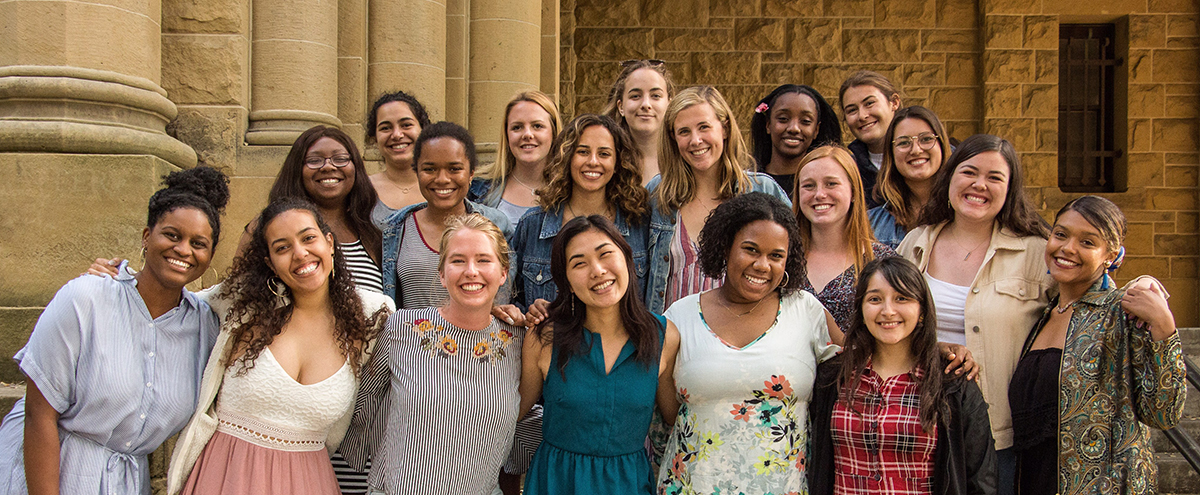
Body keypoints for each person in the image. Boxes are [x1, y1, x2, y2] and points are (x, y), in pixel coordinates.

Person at [0, 167, 228, 495]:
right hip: (51, 471)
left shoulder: (205, 326)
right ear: (146, 237)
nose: (183, 250)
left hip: (126, 482)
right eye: (172, 235)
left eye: (198, 243)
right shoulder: (86, 298)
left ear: (210, 255)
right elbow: (39, 414)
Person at [167, 198, 393, 495]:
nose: (300, 253)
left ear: (329, 243)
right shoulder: (241, 304)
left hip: (310, 482)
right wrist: (118, 279)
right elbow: (168, 302)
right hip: (226, 476)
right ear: (270, 263)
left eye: (308, 238)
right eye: (282, 247)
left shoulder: (371, 316)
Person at [896, 134, 1052, 495]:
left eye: (994, 177)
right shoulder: (915, 243)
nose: (979, 185)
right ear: (950, 177)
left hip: (999, 432)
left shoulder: (1036, 252)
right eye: (969, 172)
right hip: (919, 421)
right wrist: (933, 348)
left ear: (1010, 189)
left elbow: (1088, 301)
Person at [657, 192, 841, 495]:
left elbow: (863, 363)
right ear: (726, 247)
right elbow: (668, 414)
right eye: (750, 250)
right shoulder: (680, 316)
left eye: (776, 256)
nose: (762, 265)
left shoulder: (806, 311)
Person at [1010, 196, 1184, 495]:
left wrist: (1164, 327)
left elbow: (1163, 412)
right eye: (1061, 234)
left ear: (1110, 256)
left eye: (1087, 242)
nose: (1068, 248)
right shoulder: (1041, 315)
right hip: (1034, 480)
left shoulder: (1123, 313)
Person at [340, 213, 526, 495]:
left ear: (503, 273)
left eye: (483, 260)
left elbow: (531, 420)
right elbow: (364, 406)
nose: (471, 271)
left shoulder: (518, 341)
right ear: (441, 273)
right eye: (458, 260)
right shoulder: (401, 328)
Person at [519, 215, 680, 495]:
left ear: (627, 259)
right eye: (579, 263)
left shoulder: (663, 336)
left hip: (628, 485)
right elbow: (511, 411)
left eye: (605, 254)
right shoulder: (545, 337)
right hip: (557, 483)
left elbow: (676, 418)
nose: (597, 270)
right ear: (567, 282)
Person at [809, 256, 997, 495]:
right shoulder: (833, 377)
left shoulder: (951, 381)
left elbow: (981, 478)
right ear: (861, 308)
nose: (888, 311)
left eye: (902, 298)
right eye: (875, 299)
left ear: (922, 309)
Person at [646, 85, 790, 315]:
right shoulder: (658, 194)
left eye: (704, 127)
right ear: (673, 138)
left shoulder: (763, 190)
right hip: (670, 332)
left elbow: (792, 261)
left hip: (742, 330)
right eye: (684, 132)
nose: (695, 140)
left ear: (724, 128)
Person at [511, 113, 649, 313]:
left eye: (604, 154)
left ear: (618, 163)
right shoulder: (533, 225)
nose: (593, 161)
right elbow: (511, 301)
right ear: (567, 157)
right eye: (583, 152)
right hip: (554, 333)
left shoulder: (638, 223)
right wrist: (530, 314)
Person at [236, 125, 385, 294]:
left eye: (340, 158)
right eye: (314, 160)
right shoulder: (265, 227)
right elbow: (237, 291)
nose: (328, 167)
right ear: (297, 169)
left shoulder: (372, 232)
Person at [379, 121, 513, 309]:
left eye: (454, 169)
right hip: (411, 329)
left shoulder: (497, 224)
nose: (442, 179)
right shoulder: (394, 229)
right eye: (429, 169)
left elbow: (508, 299)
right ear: (416, 172)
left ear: (471, 173)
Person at [793, 145, 895, 331]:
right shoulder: (782, 257)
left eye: (831, 183)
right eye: (808, 186)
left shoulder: (882, 261)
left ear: (853, 191)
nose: (819, 194)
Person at [470, 91, 563, 227]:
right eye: (517, 127)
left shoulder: (569, 191)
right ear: (507, 135)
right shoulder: (476, 188)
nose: (527, 134)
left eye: (537, 126)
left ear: (554, 133)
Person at [869, 106, 953, 249]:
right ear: (891, 154)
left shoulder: (963, 216)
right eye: (903, 142)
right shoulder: (870, 224)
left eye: (926, 139)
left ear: (942, 145)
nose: (916, 150)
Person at [750, 84, 842, 199]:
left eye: (805, 121)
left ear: (816, 130)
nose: (794, 128)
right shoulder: (748, 184)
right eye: (783, 119)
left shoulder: (827, 188)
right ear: (768, 125)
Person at [602, 59, 674, 184]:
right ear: (621, 107)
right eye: (635, 96)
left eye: (655, 96)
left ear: (669, 104)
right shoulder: (604, 158)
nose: (646, 104)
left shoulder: (684, 157)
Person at [367, 90, 432, 228]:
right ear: (374, 138)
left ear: (423, 130)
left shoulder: (443, 185)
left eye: (406, 125)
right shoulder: (362, 189)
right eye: (386, 128)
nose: (397, 135)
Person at [839, 71, 903, 209]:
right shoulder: (846, 170)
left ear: (894, 102)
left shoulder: (928, 156)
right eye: (852, 110)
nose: (862, 116)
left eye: (869, 103)